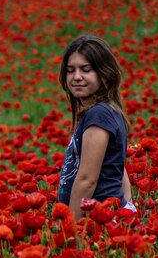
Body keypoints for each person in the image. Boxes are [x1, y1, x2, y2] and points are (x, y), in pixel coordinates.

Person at [57, 34, 135, 220]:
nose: (76, 77)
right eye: (70, 70)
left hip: (100, 220)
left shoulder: (99, 114)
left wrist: (70, 228)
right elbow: (119, 167)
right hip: (105, 215)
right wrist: (128, 205)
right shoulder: (107, 111)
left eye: (86, 69)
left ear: (104, 73)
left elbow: (87, 180)